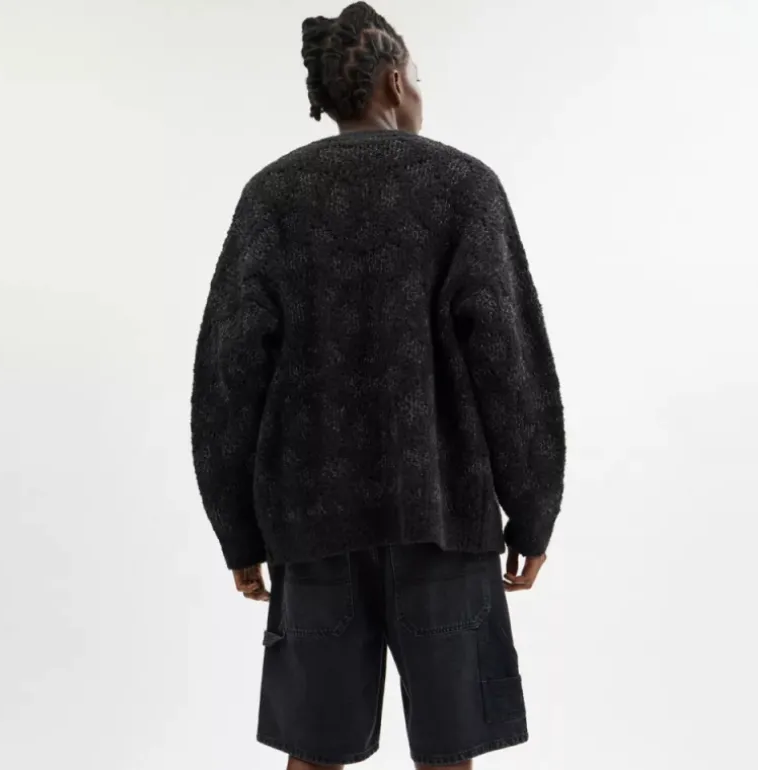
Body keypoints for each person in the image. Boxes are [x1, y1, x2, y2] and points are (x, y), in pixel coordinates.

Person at [191, 3, 565, 768]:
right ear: (394, 82)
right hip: (444, 523)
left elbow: (227, 375)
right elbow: (510, 363)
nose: (421, 90)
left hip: (312, 530)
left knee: (313, 753)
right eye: (416, 76)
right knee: (450, 752)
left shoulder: (273, 197)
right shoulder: (464, 188)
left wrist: (238, 530)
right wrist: (533, 512)